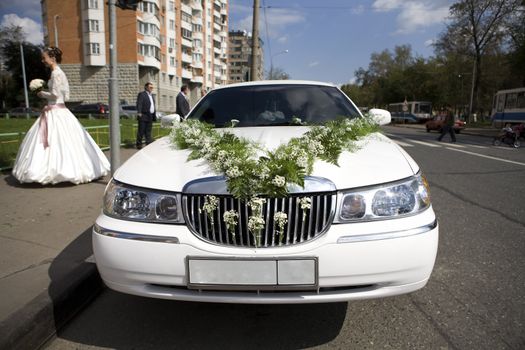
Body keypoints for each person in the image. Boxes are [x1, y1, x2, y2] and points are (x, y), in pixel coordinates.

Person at [12, 47, 110, 185]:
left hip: (55, 111)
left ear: (52, 58)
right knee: (64, 140)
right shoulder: (59, 73)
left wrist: (41, 93)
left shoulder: (56, 74)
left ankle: (58, 171)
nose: (42, 60)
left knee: (56, 140)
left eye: (44, 57)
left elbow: (56, 95)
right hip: (59, 109)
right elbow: (66, 94)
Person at [135, 82, 156, 149]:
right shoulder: (142, 94)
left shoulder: (151, 95)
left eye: (152, 87)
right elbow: (139, 103)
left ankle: (148, 142)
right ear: (146, 87)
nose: (151, 89)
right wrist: (139, 112)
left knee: (148, 130)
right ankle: (139, 144)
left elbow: (152, 105)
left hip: (150, 115)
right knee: (141, 130)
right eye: (150, 87)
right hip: (143, 115)